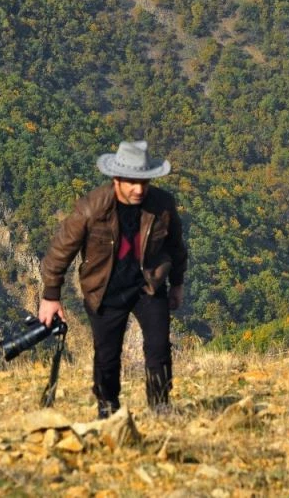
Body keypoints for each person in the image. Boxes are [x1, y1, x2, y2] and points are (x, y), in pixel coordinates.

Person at [38, 140, 188, 418]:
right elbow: (60, 250)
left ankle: (160, 406)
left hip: (149, 284)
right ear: (116, 178)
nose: (139, 189)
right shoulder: (91, 208)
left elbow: (176, 246)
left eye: (144, 181)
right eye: (132, 182)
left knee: (158, 347)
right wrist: (51, 296)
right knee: (107, 354)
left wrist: (177, 284)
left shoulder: (162, 205)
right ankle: (108, 409)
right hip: (104, 288)